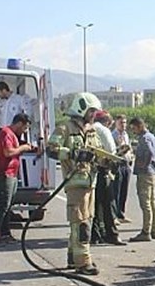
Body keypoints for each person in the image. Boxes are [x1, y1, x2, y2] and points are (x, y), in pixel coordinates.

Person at [46, 92, 104, 275]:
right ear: (82, 109)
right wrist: (72, 154)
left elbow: (99, 153)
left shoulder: (92, 130)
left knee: (87, 220)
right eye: (92, 111)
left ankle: (73, 257)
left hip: (90, 183)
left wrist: (107, 163)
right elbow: (51, 150)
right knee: (80, 224)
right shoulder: (65, 128)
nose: (94, 115)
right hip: (75, 183)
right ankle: (83, 263)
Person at [0, 113, 36, 245]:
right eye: (25, 128)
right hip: (4, 173)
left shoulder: (13, 135)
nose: (25, 131)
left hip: (12, 173)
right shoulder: (6, 133)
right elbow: (8, 152)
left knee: (8, 206)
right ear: (19, 124)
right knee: (3, 205)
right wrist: (23, 148)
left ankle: (5, 233)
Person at [91, 111, 125, 246]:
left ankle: (94, 235)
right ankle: (111, 234)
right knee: (108, 205)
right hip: (102, 171)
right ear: (108, 122)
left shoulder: (89, 128)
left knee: (93, 205)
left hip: (89, 171)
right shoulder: (104, 130)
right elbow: (111, 152)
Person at [129, 117, 155, 242]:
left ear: (139, 126)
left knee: (145, 203)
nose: (133, 131)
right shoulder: (152, 136)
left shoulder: (144, 138)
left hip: (145, 174)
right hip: (152, 173)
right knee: (152, 201)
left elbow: (148, 152)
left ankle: (146, 231)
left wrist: (143, 164)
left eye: (134, 128)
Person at [111, 114, 133, 223]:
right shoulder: (113, 135)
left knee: (124, 190)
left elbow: (129, 148)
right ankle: (114, 215)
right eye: (121, 123)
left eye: (125, 122)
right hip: (118, 163)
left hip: (127, 164)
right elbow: (113, 151)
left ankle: (121, 214)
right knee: (117, 191)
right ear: (116, 123)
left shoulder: (126, 135)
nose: (123, 125)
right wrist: (120, 148)